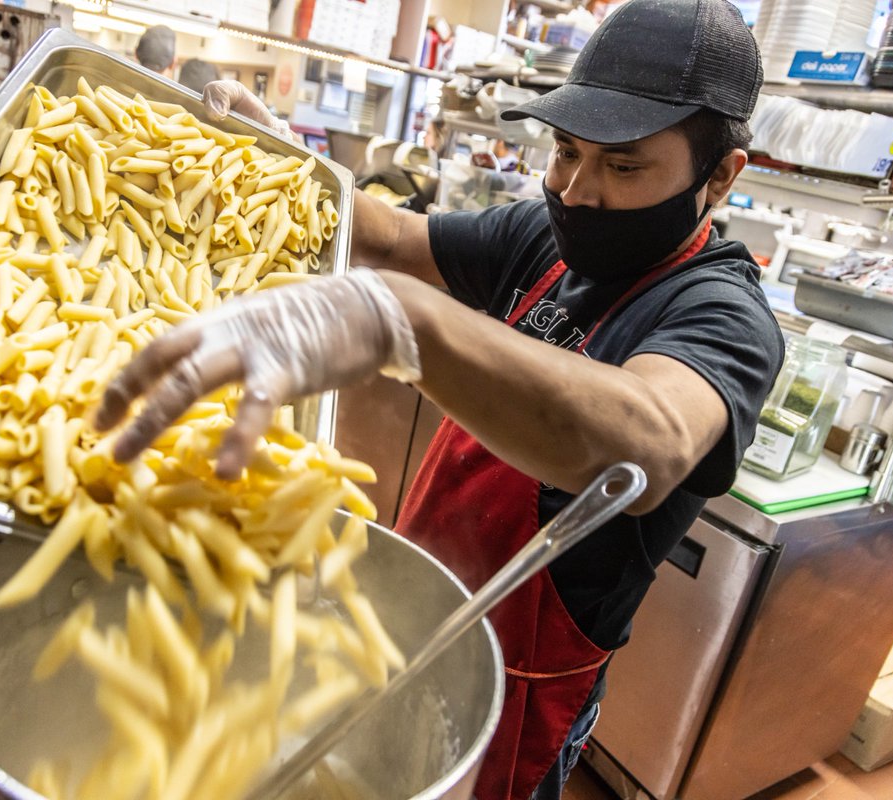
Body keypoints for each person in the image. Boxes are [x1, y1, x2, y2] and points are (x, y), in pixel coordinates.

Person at [96, 1, 785, 798]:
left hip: (514, 694)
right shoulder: (545, 237)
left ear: (722, 176)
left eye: (624, 167)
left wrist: (395, 319)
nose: (576, 189)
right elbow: (389, 238)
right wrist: (282, 160)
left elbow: (653, 436)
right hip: (403, 627)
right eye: (565, 151)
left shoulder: (721, 313)